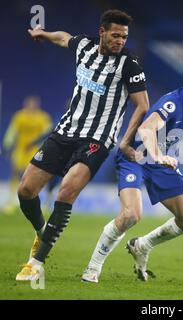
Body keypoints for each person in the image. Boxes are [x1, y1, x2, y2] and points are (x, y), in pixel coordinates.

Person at [82, 56, 183, 283]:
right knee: (131, 215)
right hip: (136, 157)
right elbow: (147, 129)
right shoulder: (173, 102)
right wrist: (159, 155)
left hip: (161, 162)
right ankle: (93, 268)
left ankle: (142, 245)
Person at [16, 9, 149, 281]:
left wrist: (124, 138)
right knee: (26, 190)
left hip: (97, 139)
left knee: (65, 191)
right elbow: (64, 38)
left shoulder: (129, 64)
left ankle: (35, 263)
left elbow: (143, 105)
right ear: (101, 32)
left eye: (124, 37)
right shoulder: (85, 46)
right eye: (115, 35)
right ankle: (43, 232)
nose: (120, 41)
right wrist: (43, 33)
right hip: (65, 131)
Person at [2, 96, 52, 214]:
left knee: (36, 176)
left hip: (35, 150)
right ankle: (11, 202)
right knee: (15, 173)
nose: (31, 106)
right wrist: (8, 146)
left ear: (37, 105)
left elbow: (49, 132)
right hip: (21, 150)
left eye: (33, 104)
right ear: (25, 105)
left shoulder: (42, 117)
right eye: (29, 104)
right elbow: (12, 132)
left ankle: (40, 202)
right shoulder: (19, 116)